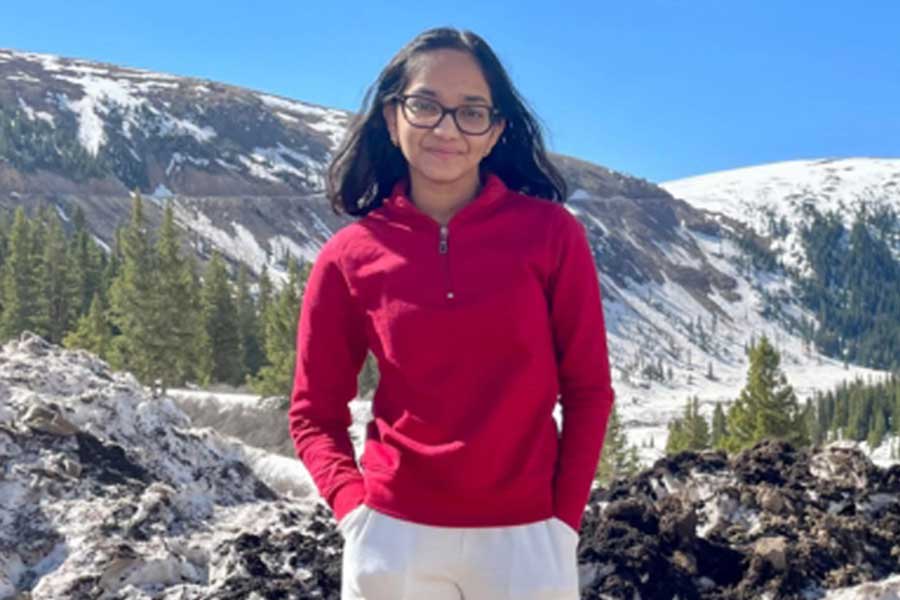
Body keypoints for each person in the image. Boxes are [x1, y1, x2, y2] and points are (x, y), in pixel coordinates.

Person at [289, 26, 616, 600]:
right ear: (392, 119)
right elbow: (314, 412)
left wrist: (561, 524)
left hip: (528, 542)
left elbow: (588, 390)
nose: (446, 128)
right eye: (425, 105)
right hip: (393, 541)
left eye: (471, 112)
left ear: (496, 131)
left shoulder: (551, 236)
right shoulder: (349, 257)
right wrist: (356, 513)